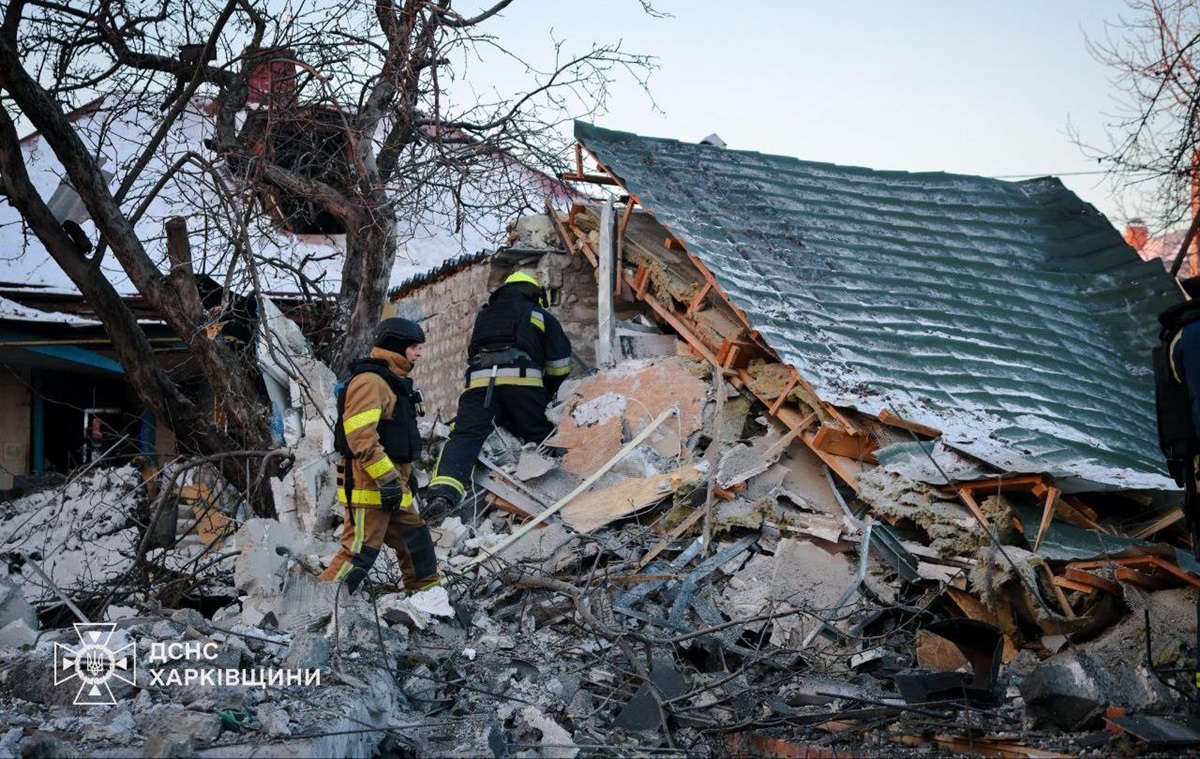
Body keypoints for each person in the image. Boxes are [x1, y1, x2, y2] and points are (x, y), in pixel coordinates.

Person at [424, 271, 572, 519]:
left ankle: (443, 493)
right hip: (524, 384)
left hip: (480, 386)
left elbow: (472, 352)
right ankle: (567, 489)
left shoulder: (485, 315)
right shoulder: (538, 314)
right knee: (543, 435)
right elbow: (560, 364)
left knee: (464, 437)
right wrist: (546, 391)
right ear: (534, 293)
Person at [319, 317, 439, 595]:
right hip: (369, 484)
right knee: (359, 551)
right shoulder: (370, 382)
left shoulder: (392, 382)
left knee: (415, 541)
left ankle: (429, 601)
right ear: (395, 347)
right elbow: (361, 436)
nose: (418, 353)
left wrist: (403, 481)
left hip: (392, 486)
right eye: (413, 347)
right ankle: (315, 608)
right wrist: (387, 479)